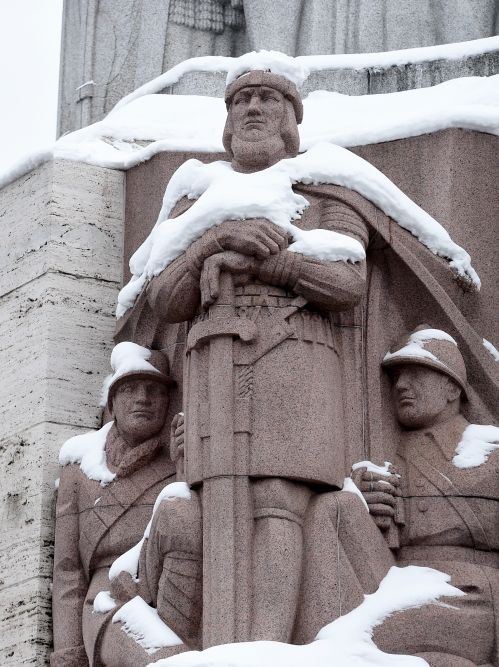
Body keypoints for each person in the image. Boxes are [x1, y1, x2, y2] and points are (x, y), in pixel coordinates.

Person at [142, 63, 370, 645]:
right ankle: (224, 643)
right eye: (241, 99)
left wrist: (274, 261)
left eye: (268, 98)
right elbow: (164, 297)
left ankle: (266, 647)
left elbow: (347, 284)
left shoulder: (324, 189)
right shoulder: (196, 200)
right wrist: (215, 240)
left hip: (296, 358)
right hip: (216, 366)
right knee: (214, 501)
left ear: (292, 119)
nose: (252, 108)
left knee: (278, 498)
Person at [297, 326, 499, 667]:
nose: (401, 386)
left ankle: (326, 647)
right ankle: (318, 645)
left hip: (469, 597)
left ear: (451, 387)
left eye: (415, 375)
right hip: (398, 582)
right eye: (396, 378)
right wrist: (363, 501)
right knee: (334, 508)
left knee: (359, 641)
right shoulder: (391, 456)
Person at [51, 345, 179, 667]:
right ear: (112, 403)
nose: (143, 399)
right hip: (109, 602)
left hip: (174, 596)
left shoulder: (177, 464)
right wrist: (69, 657)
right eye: (131, 389)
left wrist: (189, 469)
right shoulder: (79, 473)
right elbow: (68, 571)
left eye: (154, 390)